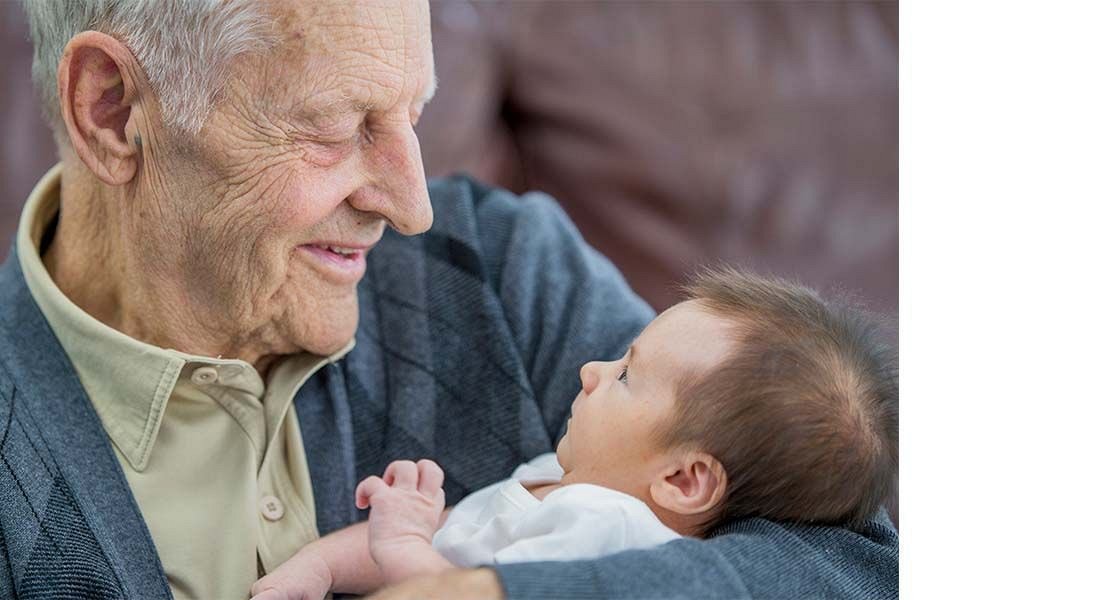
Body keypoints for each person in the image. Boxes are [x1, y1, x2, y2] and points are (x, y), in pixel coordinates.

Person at [0, 1, 897, 599]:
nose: (412, 206)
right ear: (114, 111)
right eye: (339, 128)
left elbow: (853, 564)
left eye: (412, 118)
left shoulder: (498, 267)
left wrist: (487, 591)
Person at [248, 268, 898, 599]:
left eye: (624, 376)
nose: (590, 370)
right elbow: (455, 549)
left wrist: (403, 544)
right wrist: (311, 568)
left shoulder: (605, 531)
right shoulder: (559, 478)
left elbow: (456, 593)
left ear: (683, 478)